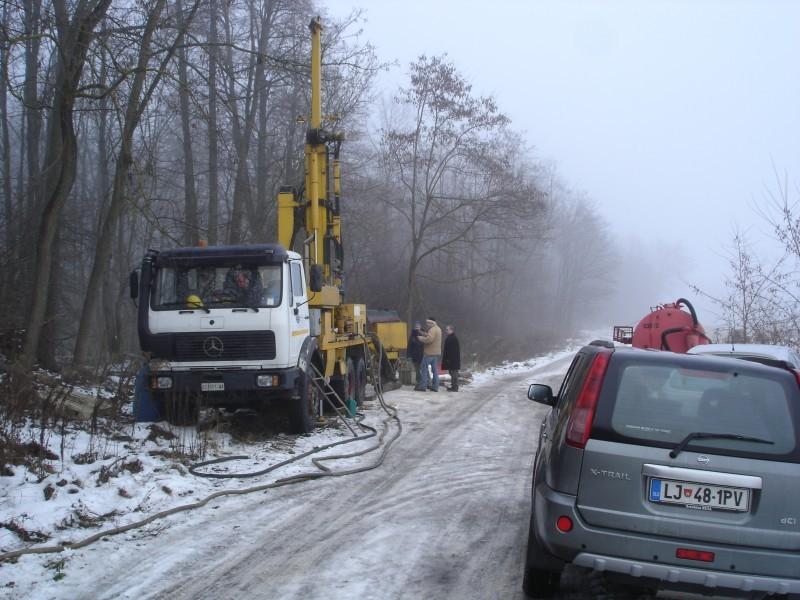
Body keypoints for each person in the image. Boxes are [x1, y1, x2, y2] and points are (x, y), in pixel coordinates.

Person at [415, 317, 442, 392]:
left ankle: (423, 386)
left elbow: (429, 339)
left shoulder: (432, 329)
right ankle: (435, 386)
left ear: (431, 322)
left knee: (423, 368)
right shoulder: (438, 329)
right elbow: (430, 336)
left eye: (428, 323)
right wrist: (423, 333)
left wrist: (420, 338)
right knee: (435, 370)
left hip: (429, 352)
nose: (427, 324)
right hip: (435, 353)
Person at [441, 324, 461, 392]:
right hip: (451, 359)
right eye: (446, 329)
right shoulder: (450, 337)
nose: (446, 331)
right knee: (452, 372)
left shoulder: (453, 338)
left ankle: (455, 387)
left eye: (447, 329)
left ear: (451, 330)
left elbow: (453, 350)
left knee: (454, 373)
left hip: (453, 359)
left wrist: (449, 359)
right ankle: (454, 386)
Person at [407, 321, 424, 386]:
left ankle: (425, 382)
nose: (417, 328)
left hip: (422, 355)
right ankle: (418, 381)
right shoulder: (412, 336)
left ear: (420, 327)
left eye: (418, 326)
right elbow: (409, 346)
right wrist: (408, 355)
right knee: (417, 369)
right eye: (416, 327)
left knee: (423, 369)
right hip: (415, 356)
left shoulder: (423, 334)